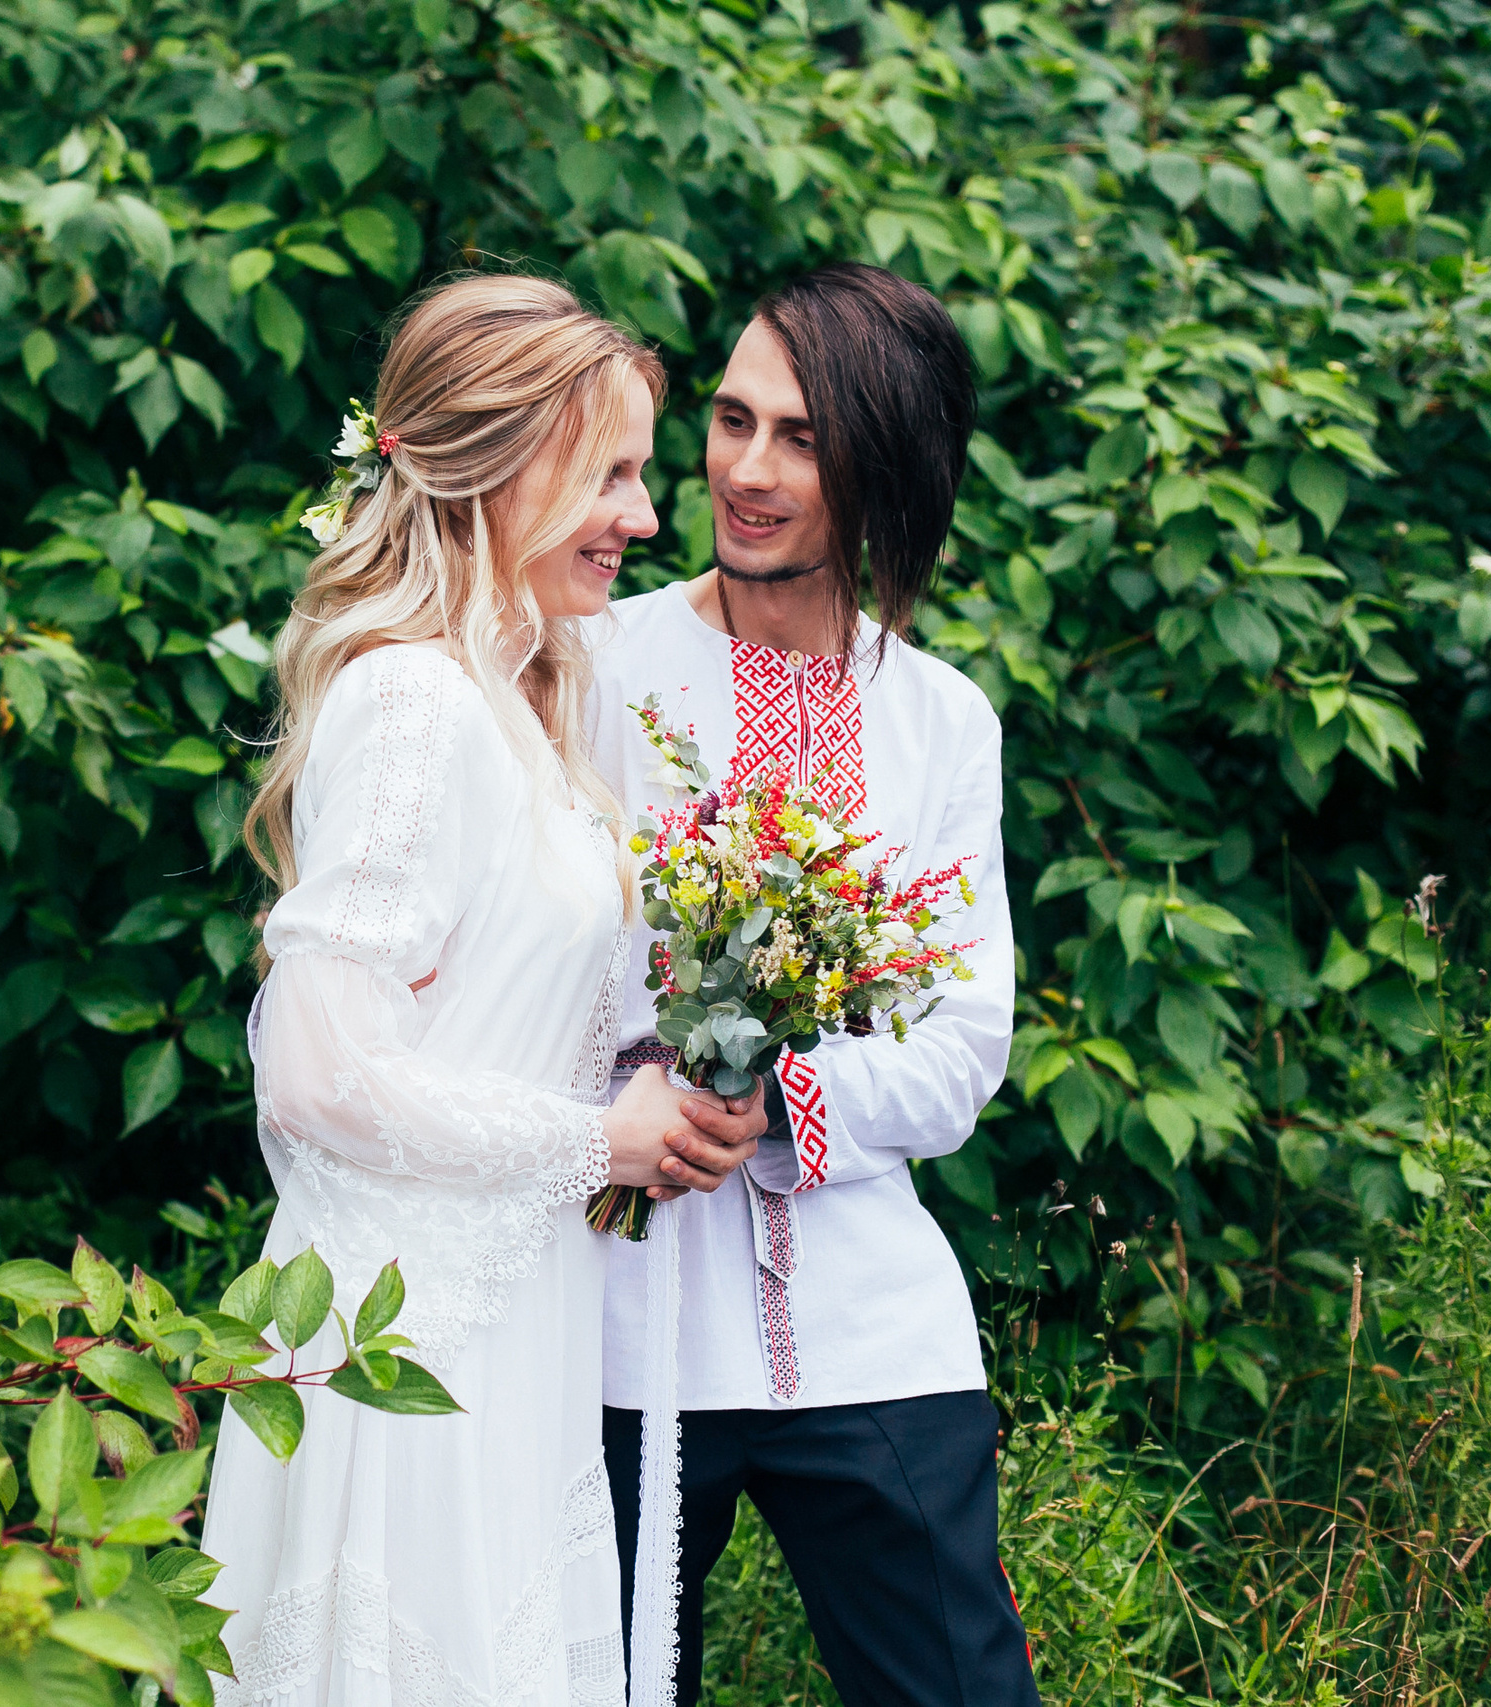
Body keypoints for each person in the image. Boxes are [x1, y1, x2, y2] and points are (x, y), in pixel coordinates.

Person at [200, 274, 762, 1707]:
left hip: (512, 1324)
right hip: (407, 1339)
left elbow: (487, 1018)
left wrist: (660, 1077)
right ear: (499, 471)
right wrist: (602, 1143)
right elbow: (317, 1072)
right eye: (611, 476)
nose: (646, 517)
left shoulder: (523, 701)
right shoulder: (414, 702)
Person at [586, 262, 1036, 1707]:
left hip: (867, 1321)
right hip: (614, 1321)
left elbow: (960, 1048)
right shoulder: (588, 668)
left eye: (802, 438)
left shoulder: (942, 721)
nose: (748, 471)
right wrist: (636, 1102)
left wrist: (773, 1099)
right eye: (731, 421)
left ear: (886, 466)